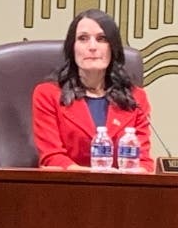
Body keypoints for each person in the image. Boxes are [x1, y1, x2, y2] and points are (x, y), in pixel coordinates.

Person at [31, 9, 153, 170]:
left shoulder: (135, 98)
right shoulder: (48, 95)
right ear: (72, 48)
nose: (92, 47)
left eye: (101, 39)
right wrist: (93, 176)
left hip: (123, 191)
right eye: (83, 38)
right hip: (67, 189)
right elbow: (52, 158)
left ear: (113, 48)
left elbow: (144, 162)